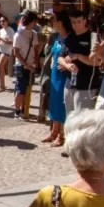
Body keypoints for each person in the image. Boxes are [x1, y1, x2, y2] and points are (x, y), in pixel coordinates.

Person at [60, 9, 99, 115]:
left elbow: (95, 62)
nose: (76, 25)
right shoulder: (70, 37)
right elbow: (60, 58)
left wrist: (77, 56)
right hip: (70, 84)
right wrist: (67, 65)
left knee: (82, 119)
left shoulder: (92, 37)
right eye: (73, 22)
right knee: (69, 116)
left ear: (85, 21)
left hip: (86, 85)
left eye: (78, 22)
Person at [44, 13, 70, 147]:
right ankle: (54, 131)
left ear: (61, 23)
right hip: (54, 72)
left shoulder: (69, 39)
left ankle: (61, 135)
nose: (52, 23)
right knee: (53, 102)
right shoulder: (57, 37)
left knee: (61, 104)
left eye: (54, 21)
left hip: (63, 74)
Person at [11, 11, 39, 119]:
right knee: (20, 89)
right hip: (21, 66)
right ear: (30, 21)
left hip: (31, 66)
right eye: (34, 21)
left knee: (28, 89)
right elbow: (16, 53)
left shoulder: (34, 34)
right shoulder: (18, 35)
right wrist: (27, 65)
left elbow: (35, 49)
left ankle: (25, 110)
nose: (35, 24)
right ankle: (17, 111)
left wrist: (35, 62)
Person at [0, 14, 14, 93]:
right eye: (0, 21)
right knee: (1, 68)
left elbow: (12, 42)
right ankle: (2, 84)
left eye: (3, 21)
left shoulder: (10, 30)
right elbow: (0, 41)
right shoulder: (1, 30)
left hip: (6, 51)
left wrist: (1, 39)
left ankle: (2, 86)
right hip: (0, 49)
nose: (2, 23)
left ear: (7, 21)